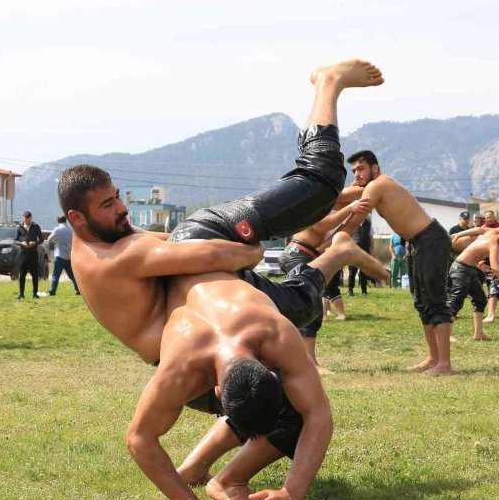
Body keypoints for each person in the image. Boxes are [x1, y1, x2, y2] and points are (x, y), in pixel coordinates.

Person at [62, 57, 385, 365]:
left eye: (117, 197)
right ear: (77, 217)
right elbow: (195, 256)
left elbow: (201, 254)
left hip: (204, 241)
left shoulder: (107, 237)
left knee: (321, 183)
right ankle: (339, 252)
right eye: (108, 204)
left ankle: (328, 81)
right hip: (197, 314)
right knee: (298, 307)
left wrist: (247, 251)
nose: (122, 209)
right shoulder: (110, 257)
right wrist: (247, 253)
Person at [129, 232, 370, 500]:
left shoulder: (276, 330)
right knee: (291, 412)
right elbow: (139, 438)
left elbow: (318, 413)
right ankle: (213, 476)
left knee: (303, 304)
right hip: (190, 255)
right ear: (216, 394)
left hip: (217, 257)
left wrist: (293, 490)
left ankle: (197, 468)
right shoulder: (178, 369)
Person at [347, 149, 454, 375]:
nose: (356, 174)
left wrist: (331, 241)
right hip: (416, 243)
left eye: (361, 169)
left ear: (375, 168)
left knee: (435, 300)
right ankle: (433, 358)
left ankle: (444, 364)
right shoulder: (370, 187)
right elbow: (341, 198)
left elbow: (354, 218)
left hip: (431, 239)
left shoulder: (378, 185)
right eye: (353, 171)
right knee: (421, 301)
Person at [276, 196, 383, 373]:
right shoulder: (314, 203)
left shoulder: (323, 203)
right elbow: (322, 225)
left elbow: (338, 231)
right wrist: (350, 208)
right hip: (298, 254)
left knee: (308, 308)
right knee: (310, 308)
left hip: (301, 254)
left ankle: (299, 359)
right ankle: (310, 363)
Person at [447, 227, 499, 340]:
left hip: (469, 268)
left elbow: (478, 229)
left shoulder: (491, 232)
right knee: (456, 299)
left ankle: (478, 334)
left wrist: (459, 234)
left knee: (480, 299)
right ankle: (445, 335)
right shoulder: (495, 245)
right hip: (461, 269)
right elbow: (496, 268)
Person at [45, 215, 80, 296]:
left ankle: (52, 291)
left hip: (60, 255)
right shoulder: (70, 230)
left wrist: (56, 241)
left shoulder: (57, 229)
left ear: (58, 221)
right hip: (69, 256)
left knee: (55, 275)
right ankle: (78, 289)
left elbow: (49, 239)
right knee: (72, 275)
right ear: (66, 221)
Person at [15, 211, 43, 300]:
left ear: (31, 218)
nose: (27, 222)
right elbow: (15, 240)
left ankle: (35, 293)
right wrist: (21, 243)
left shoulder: (36, 227)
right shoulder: (20, 227)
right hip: (23, 253)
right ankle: (21, 294)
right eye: (25, 220)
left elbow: (41, 240)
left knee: (35, 274)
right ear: (23, 218)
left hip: (33, 253)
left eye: (28, 220)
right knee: (22, 274)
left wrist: (35, 243)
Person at [346, 214, 373, 295]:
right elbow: (347, 237)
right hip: (353, 252)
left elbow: (371, 238)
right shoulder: (352, 224)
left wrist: (372, 251)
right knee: (352, 272)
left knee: (364, 272)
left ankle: (364, 291)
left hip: (365, 251)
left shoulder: (369, 225)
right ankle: (350, 290)